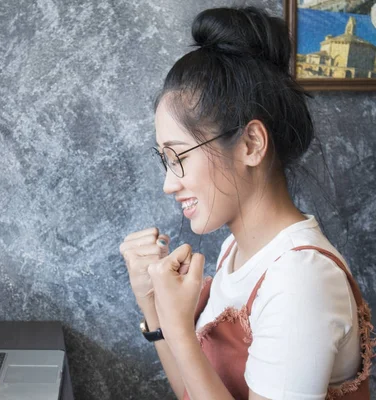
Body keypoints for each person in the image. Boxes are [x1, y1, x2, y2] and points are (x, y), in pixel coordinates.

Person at [119, 6, 374, 400]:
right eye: (164, 160)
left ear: (251, 144)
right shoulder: (236, 250)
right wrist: (151, 304)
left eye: (180, 156)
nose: (169, 184)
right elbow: (191, 391)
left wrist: (180, 329)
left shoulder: (300, 280)